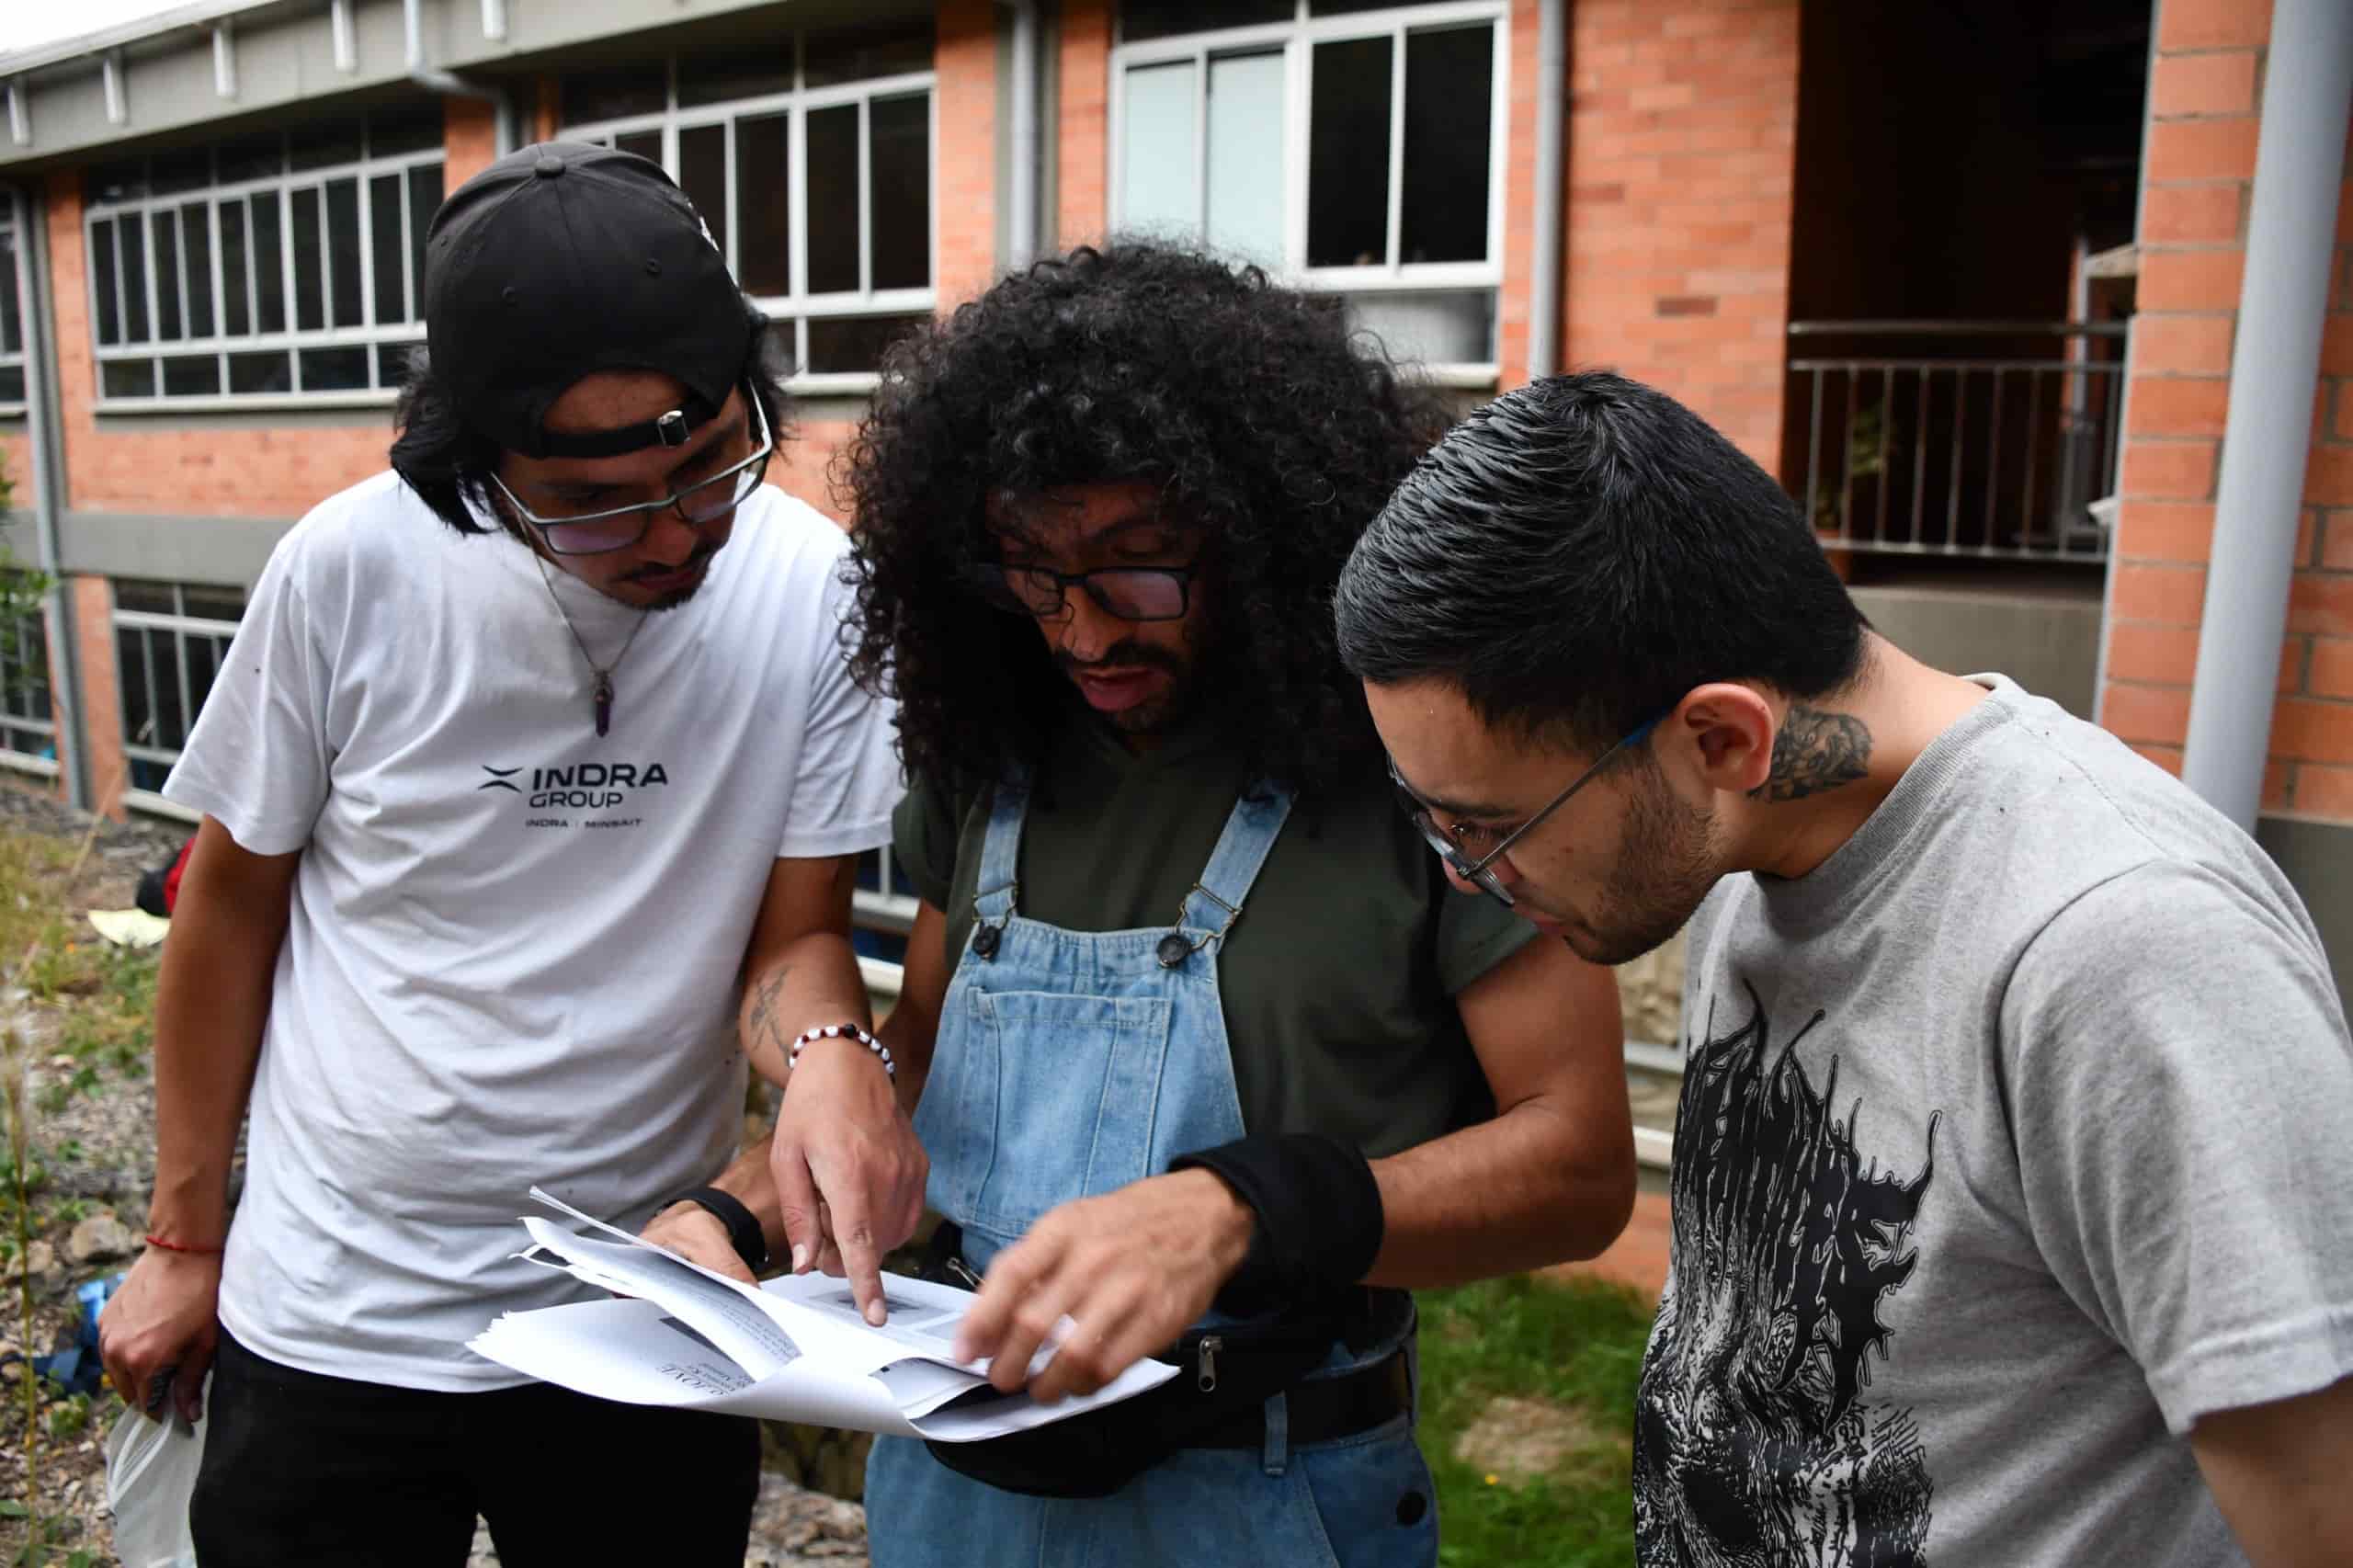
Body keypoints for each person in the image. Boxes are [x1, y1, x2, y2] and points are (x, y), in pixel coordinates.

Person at [1333, 369, 2353, 1568]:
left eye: (1486, 824)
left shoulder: (2122, 948)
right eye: (1432, 818)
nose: (1463, 873)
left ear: (1721, 737)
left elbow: (2319, 1507)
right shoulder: (1750, 848)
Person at [94, 143, 913, 1567]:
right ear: (475, 467)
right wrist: (182, 1238)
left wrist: (834, 1045)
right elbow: (229, 907)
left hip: (645, 1301)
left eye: (710, 463)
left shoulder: (811, 590)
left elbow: (794, 933)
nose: (672, 534)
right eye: (595, 504)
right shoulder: (348, 570)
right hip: (337, 1303)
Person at [769, 243, 1630, 1566]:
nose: (1082, 633)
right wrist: (747, 1200)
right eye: (1032, 576)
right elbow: (928, 1073)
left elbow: (1577, 1168)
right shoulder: (992, 764)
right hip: (955, 1501)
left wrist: (1250, 1209)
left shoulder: (1425, 769)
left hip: (1273, 1498)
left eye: (1137, 570)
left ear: (1266, 534)